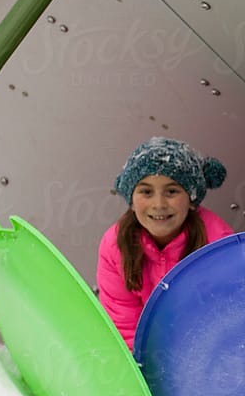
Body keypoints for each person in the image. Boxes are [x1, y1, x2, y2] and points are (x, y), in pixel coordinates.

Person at [97, 137, 235, 350]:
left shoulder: (217, 243)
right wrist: (141, 369)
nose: (159, 204)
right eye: (146, 192)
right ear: (131, 200)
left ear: (191, 198)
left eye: (171, 191)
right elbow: (122, 322)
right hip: (144, 352)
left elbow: (227, 315)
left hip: (204, 353)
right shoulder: (116, 245)